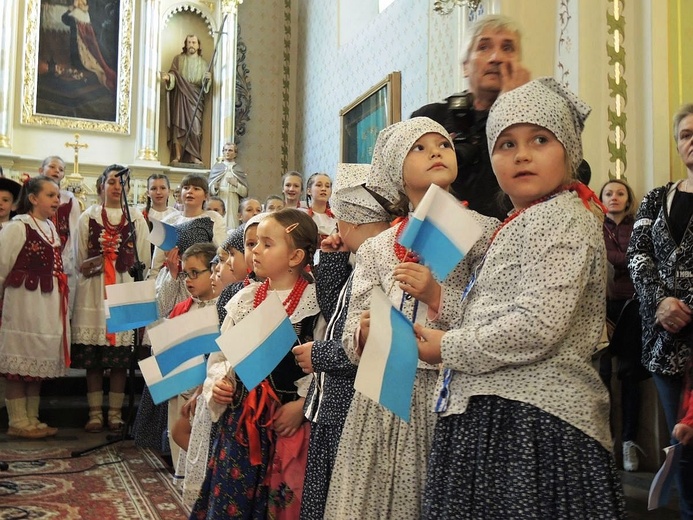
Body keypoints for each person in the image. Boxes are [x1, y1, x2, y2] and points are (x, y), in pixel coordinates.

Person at [413, 78, 625, 518]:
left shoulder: (562, 216)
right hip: (498, 411)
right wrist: (441, 313)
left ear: (568, 151)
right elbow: (493, 308)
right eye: (506, 144)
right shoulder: (521, 220)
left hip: (534, 421)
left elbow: (537, 325)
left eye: (540, 140)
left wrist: (446, 348)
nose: (522, 154)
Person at [324, 118, 497, 519]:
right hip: (385, 387)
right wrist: (363, 333)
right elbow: (352, 330)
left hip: (448, 386)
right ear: (395, 168)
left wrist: (438, 295)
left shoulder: (484, 232)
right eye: (419, 148)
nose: (436, 151)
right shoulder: (379, 246)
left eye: (443, 144)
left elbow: (493, 316)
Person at [192, 208, 321, 518]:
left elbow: (321, 366)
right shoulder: (244, 299)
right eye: (253, 244)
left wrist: (302, 406)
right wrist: (221, 383)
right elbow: (221, 360)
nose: (255, 251)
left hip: (286, 424)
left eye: (266, 243)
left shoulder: (316, 304)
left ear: (295, 256)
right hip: (241, 423)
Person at [292, 163, 391, 520]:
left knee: (340, 495)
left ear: (349, 223)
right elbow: (336, 310)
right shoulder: (358, 260)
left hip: (351, 403)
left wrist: (319, 354)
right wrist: (333, 259)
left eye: (338, 223)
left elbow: (370, 343)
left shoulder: (383, 260)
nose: (335, 230)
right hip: (333, 401)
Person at [627, 102, 693, 518]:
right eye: (686, 134)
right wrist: (662, 302)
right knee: (682, 441)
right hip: (665, 339)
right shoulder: (657, 198)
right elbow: (637, 254)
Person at [411, 14, 529, 220]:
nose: (496, 58)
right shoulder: (429, 119)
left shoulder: (532, 121)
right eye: (484, 47)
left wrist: (514, 107)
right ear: (465, 65)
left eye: (507, 48)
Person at [70, 165, 151, 433]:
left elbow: (143, 259)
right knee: (93, 359)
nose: (117, 187)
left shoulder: (136, 217)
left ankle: (115, 413)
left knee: (119, 360)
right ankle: (94, 413)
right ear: (101, 186)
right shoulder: (87, 217)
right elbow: (79, 256)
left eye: (122, 184)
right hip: (94, 291)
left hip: (123, 290)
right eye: (112, 182)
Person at [0, 176, 68, 438]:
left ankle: (32, 418)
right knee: (19, 362)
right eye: (51, 195)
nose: (56, 201)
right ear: (33, 198)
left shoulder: (50, 228)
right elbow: (2, 267)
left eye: (57, 196)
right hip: (22, 305)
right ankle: (17, 421)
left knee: (37, 359)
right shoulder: (18, 228)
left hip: (47, 305)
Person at [598, 179, 648, 471]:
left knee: (630, 375)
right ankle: (606, 441)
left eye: (620, 193)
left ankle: (629, 442)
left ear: (628, 199)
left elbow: (638, 260)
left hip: (632, 307)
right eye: (608, 193)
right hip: (600, 308)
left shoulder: (639, 226)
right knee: (602, 375)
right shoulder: (594, 226)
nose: (614, 197)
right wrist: (623, 261)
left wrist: (615, 260)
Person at [164, 242, 218, 487]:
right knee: (177, 431)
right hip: (180, 386)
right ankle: (183, 481)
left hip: (205, 388)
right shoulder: (182, 309)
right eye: (186, 273)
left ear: (214, 270)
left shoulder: (223, 308)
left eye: (196, 273)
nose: (188, 279)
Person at [38, 156, 81, 316]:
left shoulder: (69, 200)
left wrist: (65, 258)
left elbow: (75, 232)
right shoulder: (31, 196)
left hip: (63, 258)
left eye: (61, 169)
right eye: (52, 167)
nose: (57, 171)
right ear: (41, 170)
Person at [162, 34, 211, 166]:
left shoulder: (203, 63)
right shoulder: (179, 59)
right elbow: (174, 74)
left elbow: (204, 85)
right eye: (189, 42)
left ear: (198, 45)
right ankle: (177, 155)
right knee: (179, 126)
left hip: (195, 97)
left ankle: (194, 155)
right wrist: (169, 78)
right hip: (181, 95)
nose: (191, 45)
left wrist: (207, 79)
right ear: (186, 44)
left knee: (195, 128)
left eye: (194, 42)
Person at [61, 0, 116, 91]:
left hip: (79, 54)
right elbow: (65, 19)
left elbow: (64, 18)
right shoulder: (81, 14)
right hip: (77, 52)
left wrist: (71, 11)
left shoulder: (80, 13)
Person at [208, 141, 249, 228]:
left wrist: (236, 184)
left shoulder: (238, 169)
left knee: (232, 223)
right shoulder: (217, 168)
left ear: (235, 154)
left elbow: (245, 193)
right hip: (220, 198)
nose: (227, 152)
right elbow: (209, 190)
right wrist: (214, 188)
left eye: (230, 150)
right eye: (225, 150)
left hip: (233, 201)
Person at [305, 172, 338, 240]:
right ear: (309, 191)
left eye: (327, 186)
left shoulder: (337, 217)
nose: (323, 189)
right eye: (319, 185)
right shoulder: (303, 216)